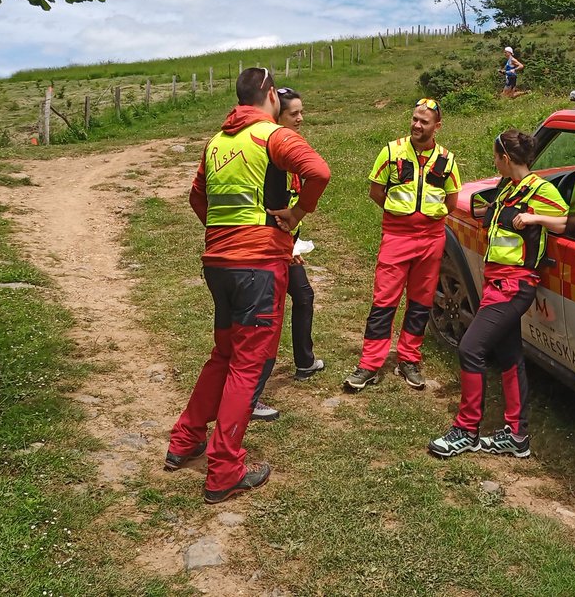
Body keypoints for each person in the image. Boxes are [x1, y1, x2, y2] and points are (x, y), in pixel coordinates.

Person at [164, 68, 330, 503]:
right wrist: (296, 215)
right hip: (256, 265)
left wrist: (223, 234)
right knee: (248, 364)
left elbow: (197, 198)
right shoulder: (271, 136)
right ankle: (224, 469)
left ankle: (184, 440)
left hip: (218, 263)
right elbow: (319, 172)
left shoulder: (216, 142)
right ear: (271, 95)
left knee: (223, 354)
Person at [428, 129, 567, 458]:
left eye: (495, 157)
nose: (494, 161)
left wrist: (534, 217)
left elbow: (563, 221)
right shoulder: (508, 188)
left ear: (506, 158)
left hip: (513, 285)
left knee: (470, 348)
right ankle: (516, 436)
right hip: (497, 282)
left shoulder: (538, 189)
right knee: (509, 356)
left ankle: (467, 430)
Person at [344, 98, 461, 392]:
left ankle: (409, 359)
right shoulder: (392, 151)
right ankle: (370, 364)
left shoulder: (447, 159)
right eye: (414, 119)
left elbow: (452, 201)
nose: (417, 125)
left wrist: (425, 220)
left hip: (432, 239)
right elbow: (376, 191)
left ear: (437, 126)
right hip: (396, 237)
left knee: (421, 303)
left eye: (423, 121)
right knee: (384, 301)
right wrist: (402, 216)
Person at [248, 87, 325, 422]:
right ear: (276, 115)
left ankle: (304, 362)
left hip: (285, 247)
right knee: (268, 321)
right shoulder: (269, 156)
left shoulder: (288, 156)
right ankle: (251, 396)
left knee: (303, 296)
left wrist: (293, 244)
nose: (300, 119)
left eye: (302, 112)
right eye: (294, 113)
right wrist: (284, 245)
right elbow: (269, 211)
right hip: (267, 251)